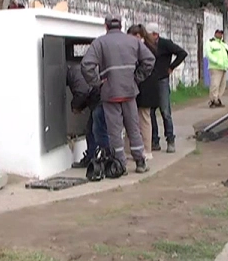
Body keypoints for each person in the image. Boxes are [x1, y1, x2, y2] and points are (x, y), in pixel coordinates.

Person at [82, 15, 156, 174]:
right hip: (129, 91)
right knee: (133, 128)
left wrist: (96, 83)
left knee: (114, 131)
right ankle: (140, 161)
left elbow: (86, 65)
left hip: (110, 93)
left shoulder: (99, 42)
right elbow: (149, 60)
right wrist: (137, 78)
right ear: (121, 26)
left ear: (106, 26)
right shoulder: (133, 41)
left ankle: (120, 165)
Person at [146, 23, 187, 154]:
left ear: (155, 34)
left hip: (162, 79)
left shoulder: (165, 44)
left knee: (165, 111)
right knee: (150, 112)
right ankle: (154, 140)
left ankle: (170, 139)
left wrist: (171, 67)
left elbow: (182, 53)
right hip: (150, 81)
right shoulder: (146, 45)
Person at [66, 61, 109, 168]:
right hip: (102, 99)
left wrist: (75, 107)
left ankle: (107, 160)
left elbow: (82, 92)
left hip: (100, 101)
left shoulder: (73, 73)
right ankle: (93, 158)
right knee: (92, 131)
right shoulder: (78, 69)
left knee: (98, 132)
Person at [127, 24, 160, 159]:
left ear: (138, 36)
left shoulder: (143, 49)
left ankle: (147, 149)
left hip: (144, 88)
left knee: (144, 119)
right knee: (140, 119)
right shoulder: (149, 47)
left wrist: (136, 78)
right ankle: (140, 148)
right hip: (145, 87)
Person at [205, 28, 228, 107]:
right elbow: (208, 54)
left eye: (221, 33)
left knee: (222, 85)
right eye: (218, 33)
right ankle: (213, 100)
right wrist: (217, 61)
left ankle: (218, 98)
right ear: (215, 34)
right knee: (215, 84)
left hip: (224, 67)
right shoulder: (211, 43)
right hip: (215, 67)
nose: (220, 35)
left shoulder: (224, 44)